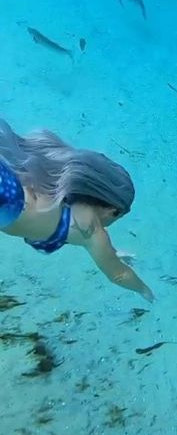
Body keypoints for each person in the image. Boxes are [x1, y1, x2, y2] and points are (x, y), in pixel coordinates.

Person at [0, 119, 154, 303]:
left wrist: (112, 252)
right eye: (117, 217)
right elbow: (118, 275)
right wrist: (144, 290)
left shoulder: (58, 191)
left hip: (10, 188)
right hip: (9, 206)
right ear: (112, 210)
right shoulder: (92, 232)